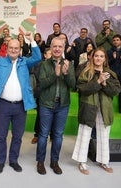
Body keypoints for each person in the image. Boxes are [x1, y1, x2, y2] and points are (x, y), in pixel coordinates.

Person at [0, 32, 42, 174]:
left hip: (20, 106)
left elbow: (38, 57)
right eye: (11, 48)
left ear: (20, 49)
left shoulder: (25, 62)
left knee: (17, 136)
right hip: (3, 105)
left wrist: (32, 40)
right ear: (7, 48)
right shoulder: (1, 61)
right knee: (1, 136)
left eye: (16, 48)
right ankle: (0, 161)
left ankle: (14, 160)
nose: (14, 50)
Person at [72, 47, 121, 175]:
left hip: (104, 109)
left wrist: (105, 84)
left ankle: (104, 161)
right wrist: (98, 81)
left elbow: (116, 91)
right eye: (96, 56)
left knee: (104, 134)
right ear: (92, 57)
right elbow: (83, 89)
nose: (98, 58)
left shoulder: (110, 73)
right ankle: (82, 162)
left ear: (105, 59)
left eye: (101, 56)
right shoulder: (85, 73)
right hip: (88, 107)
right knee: (85, 133)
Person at [36, 37, 76, 175]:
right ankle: (40, 162)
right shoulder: (44, 65)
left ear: (63, 48)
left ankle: (54, 162)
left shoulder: (69, 64)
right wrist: (55, 74)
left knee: (58, 135)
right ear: (51, 48)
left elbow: (73, 85)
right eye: (55, 46)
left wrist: (65, 74)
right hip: (46, 104)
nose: (57, 49)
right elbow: (42, 84)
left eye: (60, 46)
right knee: (43, 135)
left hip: (63, 105)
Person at [31, 48, 51, 144]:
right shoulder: (40, 65)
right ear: (45, 55)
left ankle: (51, 134)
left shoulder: (58, 64)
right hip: (41, 94)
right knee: (40, 116)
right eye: (49, 54)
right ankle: (37, 134)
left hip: (52, 95)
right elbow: (39, 77)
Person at [107, 34, 121, 114]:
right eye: (114, 40)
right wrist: (113, 58)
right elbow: (107, 63)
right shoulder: (109, 51)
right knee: (110, 90)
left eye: (117, 40)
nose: (115, 41)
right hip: (112, 73)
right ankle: (108, 108)